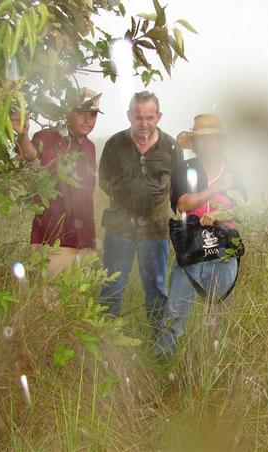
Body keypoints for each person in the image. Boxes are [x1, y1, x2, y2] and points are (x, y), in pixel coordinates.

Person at [155, 113, 247, 356]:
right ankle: (162, 361)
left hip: (224, 252)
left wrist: (219, 214)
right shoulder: (185, 169)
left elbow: (242, 209)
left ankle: (209, 365)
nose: (208, 144)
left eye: (212, 139)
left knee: (218, 313)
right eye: (202, 140)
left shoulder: (235, 170)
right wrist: (215, 188)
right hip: (191, 248)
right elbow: (183, 204)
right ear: (195, 144)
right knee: (176, 311)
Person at [98, 91, 183, 331]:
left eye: (149, 117)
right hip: (119, 230)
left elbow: (177, 187)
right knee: (111, 287)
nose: (143, 123)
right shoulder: (115, 144)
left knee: (156, 290)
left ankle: (158, 344)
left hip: (155, 232)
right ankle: (105, 342)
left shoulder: (172, 147)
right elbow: (104, 181)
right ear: (129, 116)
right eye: (138, 117)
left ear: (159, 117)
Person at [12, 88, 102, 276]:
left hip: (84, 238)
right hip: (53, 238)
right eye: (82, 113)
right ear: (69, 113)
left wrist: (91, 242)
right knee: (51, 302)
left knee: (78, 301)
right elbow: (31, 156)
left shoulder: (90, 147)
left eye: (93, 115)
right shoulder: (47, 137)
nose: (88, 120)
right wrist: (22, 135)